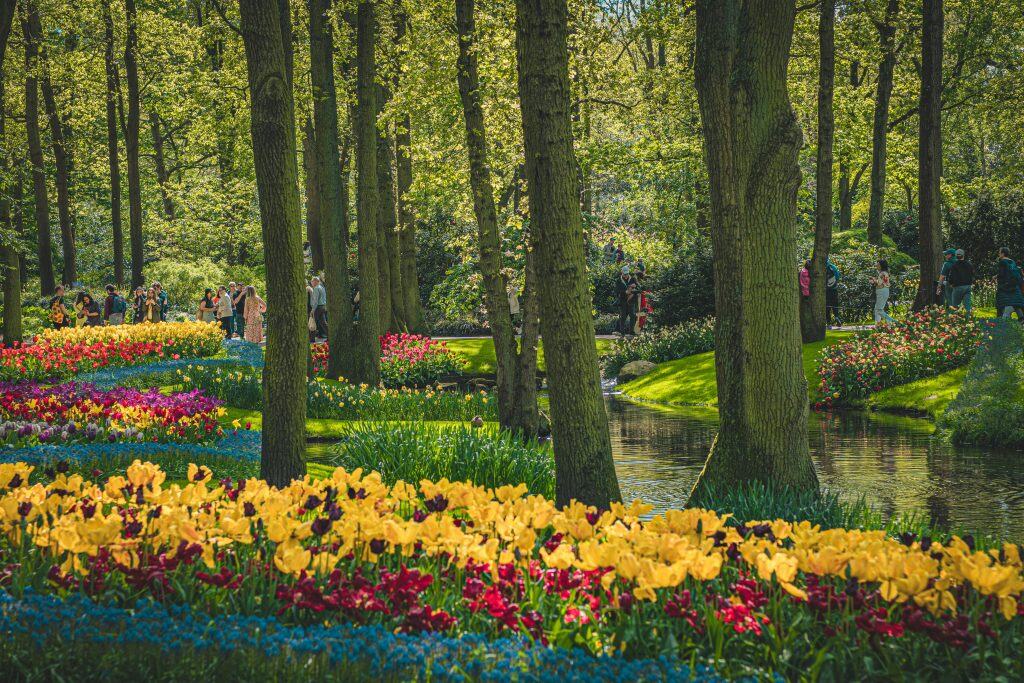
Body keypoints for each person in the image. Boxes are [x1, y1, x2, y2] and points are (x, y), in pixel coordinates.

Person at [996, 247, 1024, 322]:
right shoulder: (1012, 262)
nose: (998, 254)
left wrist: (997, 279)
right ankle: (1021, 318)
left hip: (1005, 287)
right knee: (1016, 302)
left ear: (1003, 253)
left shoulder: (1002, 262)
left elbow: (1002, 275)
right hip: (1014, 286)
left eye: (999, 252)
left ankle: (1000, 319)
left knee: (1001, 303)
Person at [947, 248, 974, 313]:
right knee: (967, 306)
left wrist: (951, 283)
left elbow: (951, 277)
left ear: (956, 256)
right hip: (967, 287)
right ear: (963, 255)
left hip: (957, 287)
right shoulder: (969, 264)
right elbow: (972, 275)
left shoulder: (954, 265)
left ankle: (956, 320)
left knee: (955, 307)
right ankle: (968, 320)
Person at [869, 259, 896, 325]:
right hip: (883, 291)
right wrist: (875, 280)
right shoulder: (883, 273)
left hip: (882, 292)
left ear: (881, 265)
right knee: (877, 309)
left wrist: (873, 281)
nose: (876, 266)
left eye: (878, 264)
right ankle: (877, 325)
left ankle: (893, 321)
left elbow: (880, 284)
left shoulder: (882, 273)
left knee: (879, 310)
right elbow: (882, 282)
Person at [615, 266, 638, 335]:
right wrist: (625, 292)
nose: (626, 275)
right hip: (623, 301)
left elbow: (639, 288)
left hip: (632, 301)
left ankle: (631, 331)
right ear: (622, 273)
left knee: (633, 316)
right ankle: (622, 332)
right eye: (624, 274)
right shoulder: (618, 280)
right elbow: (617, 291)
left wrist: (635, 287)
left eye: (627, 274)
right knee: (623, 317)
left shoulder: (633, 279)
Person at [825, 259, 842, 328]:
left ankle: (829, 323)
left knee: (827, 306)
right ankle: (837, 317)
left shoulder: (822, 267)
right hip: (834, 289)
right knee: (835, 305)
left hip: (827, 290)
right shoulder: (833, 267)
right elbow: (838, 276)